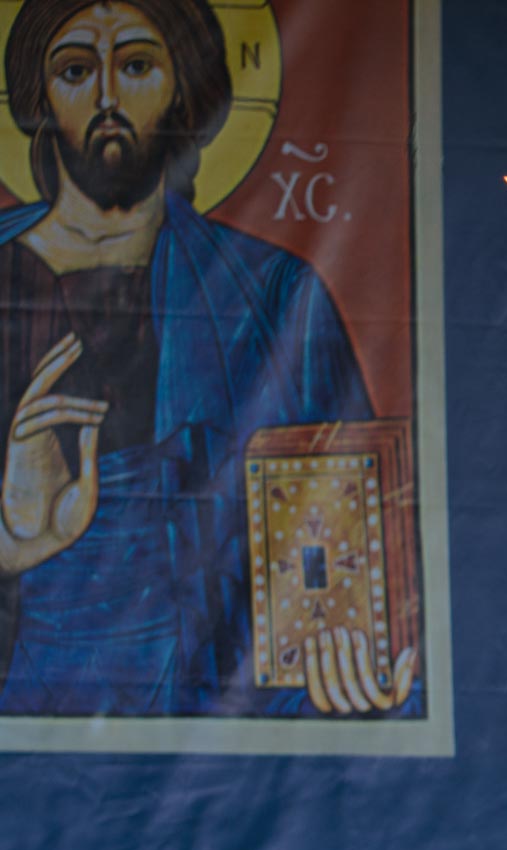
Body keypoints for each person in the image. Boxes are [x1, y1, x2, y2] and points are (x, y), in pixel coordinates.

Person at [0, 0, 389, 715]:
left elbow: (341, 525)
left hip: (206, 697)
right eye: (76, 70)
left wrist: (344, 649)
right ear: (38, 99)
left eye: (136, 65)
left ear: (184, 91)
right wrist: (13, 542)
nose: (108, 98)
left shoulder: (271, 294)